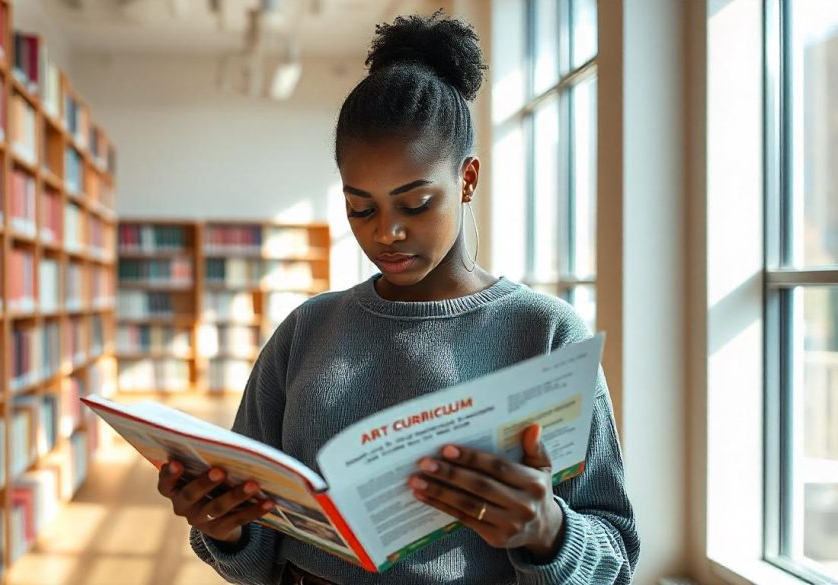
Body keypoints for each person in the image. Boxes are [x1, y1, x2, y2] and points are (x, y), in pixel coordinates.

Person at [156, 10, 640, 585]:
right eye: (361, 208)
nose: (386, 232)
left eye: (415, 204)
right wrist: (225, 526)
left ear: (467, 179)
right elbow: (255, 543)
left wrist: (545, 531)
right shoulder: (307, 330)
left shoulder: (546, 334)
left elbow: (614, 556)